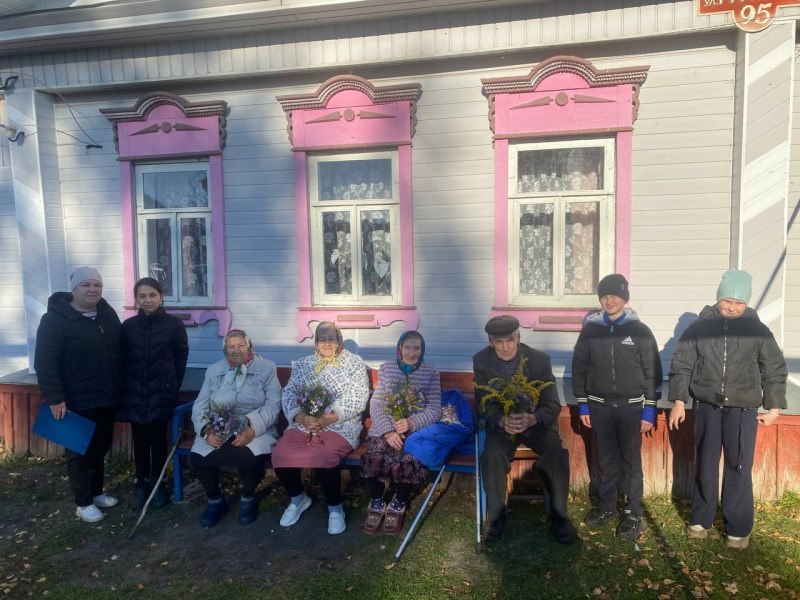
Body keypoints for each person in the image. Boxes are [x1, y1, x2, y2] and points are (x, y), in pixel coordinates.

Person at [668, 269, 787, 549]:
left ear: (746, 303)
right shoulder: (699, 329)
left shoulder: (758, 331)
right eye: (727, 301)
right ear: (718, 298)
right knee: (706, 463)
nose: (732, 307)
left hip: (742, 410)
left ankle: (738, 528)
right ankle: (701, 520)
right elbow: (682, 365)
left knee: (739, 466)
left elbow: (774, 369)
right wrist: (679, 402)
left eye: (739, 302)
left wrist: (774, 408)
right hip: (707, 407)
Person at [572, 274, 662, 540]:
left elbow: (653, 372)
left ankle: (633, 512)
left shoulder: (640, 331)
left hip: (631, 408)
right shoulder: (590, 330)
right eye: (604, 296)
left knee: (631, 462)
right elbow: (579, 368)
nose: (609, 301)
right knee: (605, 460)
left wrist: (650, 408)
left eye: (614, 296)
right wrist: (583, 404)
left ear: (624, 299)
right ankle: (607, 506)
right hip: (599, 407)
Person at [475, 315, 576, 544]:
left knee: (556, 453)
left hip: (535, 424)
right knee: (492, 456)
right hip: (503, 426)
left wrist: (534, 418)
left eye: (510, 340)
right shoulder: (481, 360)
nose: (505, 347)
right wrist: (500, 420)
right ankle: (497, 517)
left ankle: (560, 516)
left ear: (518, 337)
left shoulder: (539, 360)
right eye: (499, 342)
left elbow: (552, 404)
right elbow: (482, 403)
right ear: (491, 342)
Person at [34, 267, 122, 523]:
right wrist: (54, 397)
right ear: (74, 289)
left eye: (97, 284)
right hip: (75, 399)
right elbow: (45, 362)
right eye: (86, 285)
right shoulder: (54, 320)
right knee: (79, 452)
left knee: (100, 447)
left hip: (106, 396)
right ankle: (83, 503)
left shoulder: (107, 314)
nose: (93, 289)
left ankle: (96, 493)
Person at [272, 322, 369, 535]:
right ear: (316, 342)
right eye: (322, 339)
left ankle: (335, 507)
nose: (327, 343)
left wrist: (330, 418)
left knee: (324, 455)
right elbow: (289, 394)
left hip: (340, 424)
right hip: (304, 424)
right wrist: (301, 417)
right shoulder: (304, 364)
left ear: (339, 341)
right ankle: (298, 498)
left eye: (331, 339)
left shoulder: (353, 362)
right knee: (279, 454)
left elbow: (359, 396)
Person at [190, 329, 282, 527]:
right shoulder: (214, 370)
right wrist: (206, 430)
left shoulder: (266, 368)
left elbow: (273, 405)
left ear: (249, 347)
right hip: (220, 425)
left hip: (255, 424)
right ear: (225, 349)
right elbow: (200, 404)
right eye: (231, 346)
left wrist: (253, 430)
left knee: (249, 455)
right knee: (199, 455)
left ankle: (248, 497)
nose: (236, 350)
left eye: (241, 345)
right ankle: (215, 500)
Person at [360, 331, 442, 535]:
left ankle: (399, 504)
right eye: (407, 347)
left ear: (422, 350)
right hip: (386, 428)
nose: (412, 353)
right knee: (375, 455)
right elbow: (376, 404)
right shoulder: (387, 368)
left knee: (410, 458)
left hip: (415, 430)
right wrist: (388, 432)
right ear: (400, 348)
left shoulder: (431, 373)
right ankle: (377, 502)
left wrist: (412, 422)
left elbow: (434, 409)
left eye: (417, 348)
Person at [118, 277, 189, 511]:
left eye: (152, 295)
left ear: (161, 297)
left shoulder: (173, 325)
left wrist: (171, 385)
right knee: (139, 439)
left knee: (158, 439)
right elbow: (121, 359)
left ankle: (158, 483)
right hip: (135, 391)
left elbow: (180, 358)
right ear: (136, 299)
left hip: (161, 392)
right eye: (142, 296)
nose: (147, 300)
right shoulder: (128, 327)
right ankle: (140, 483)